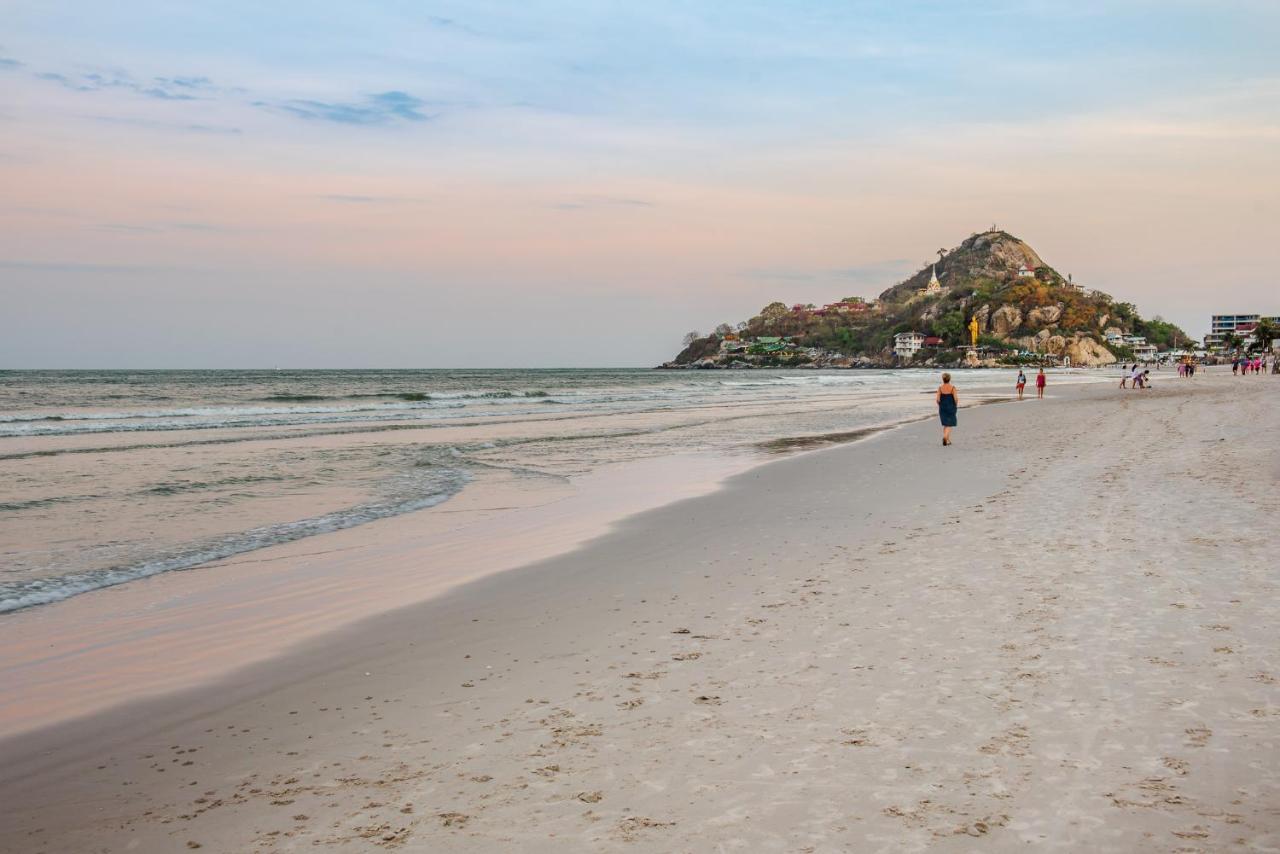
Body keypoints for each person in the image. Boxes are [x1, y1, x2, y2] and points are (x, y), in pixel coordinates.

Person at [936, 372, 958, 446]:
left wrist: (940, 405)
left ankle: (947, 439)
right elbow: (956, 399)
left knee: (945, 423)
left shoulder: (940, 388)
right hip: (951, 406)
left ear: (943, 379)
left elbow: (938, 400)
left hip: (942, 407)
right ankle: (945, 437)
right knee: (949, 424)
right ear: (949, 379)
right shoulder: (952, 388)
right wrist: (955, 405)